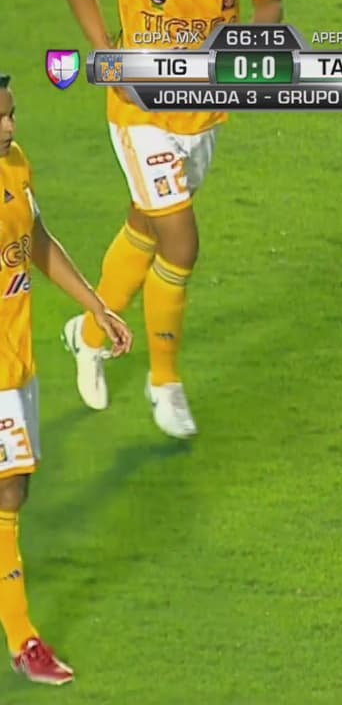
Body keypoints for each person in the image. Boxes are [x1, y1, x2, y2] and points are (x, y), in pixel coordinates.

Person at [61, 0, 285, 438]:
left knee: (148, 224)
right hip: (141, 116)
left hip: (203, 118)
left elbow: (269, 2)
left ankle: (87, 334)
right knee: (181, 245)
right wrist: (107, 54)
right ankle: (164, 383)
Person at [0, 73, 134, 685]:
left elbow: (35, 240)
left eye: (12, 114)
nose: (9, 127)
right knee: (9, 491)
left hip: (18, 360)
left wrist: (96, 307)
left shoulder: (15, 164)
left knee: (16, 489)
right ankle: (23, 638)